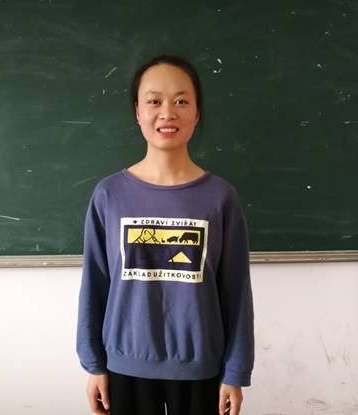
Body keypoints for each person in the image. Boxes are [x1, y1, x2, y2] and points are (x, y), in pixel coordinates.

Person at [76, 54, 254, 415]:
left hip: (202, 369)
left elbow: (236, 292)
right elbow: (95, 283)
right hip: (125, 366)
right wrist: (93, 363)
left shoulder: (220, 198)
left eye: (181, 101)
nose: (167, 113)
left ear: (197, 112)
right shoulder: (109, 195)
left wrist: (236, 370)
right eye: (154, 101)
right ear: (138, 112)